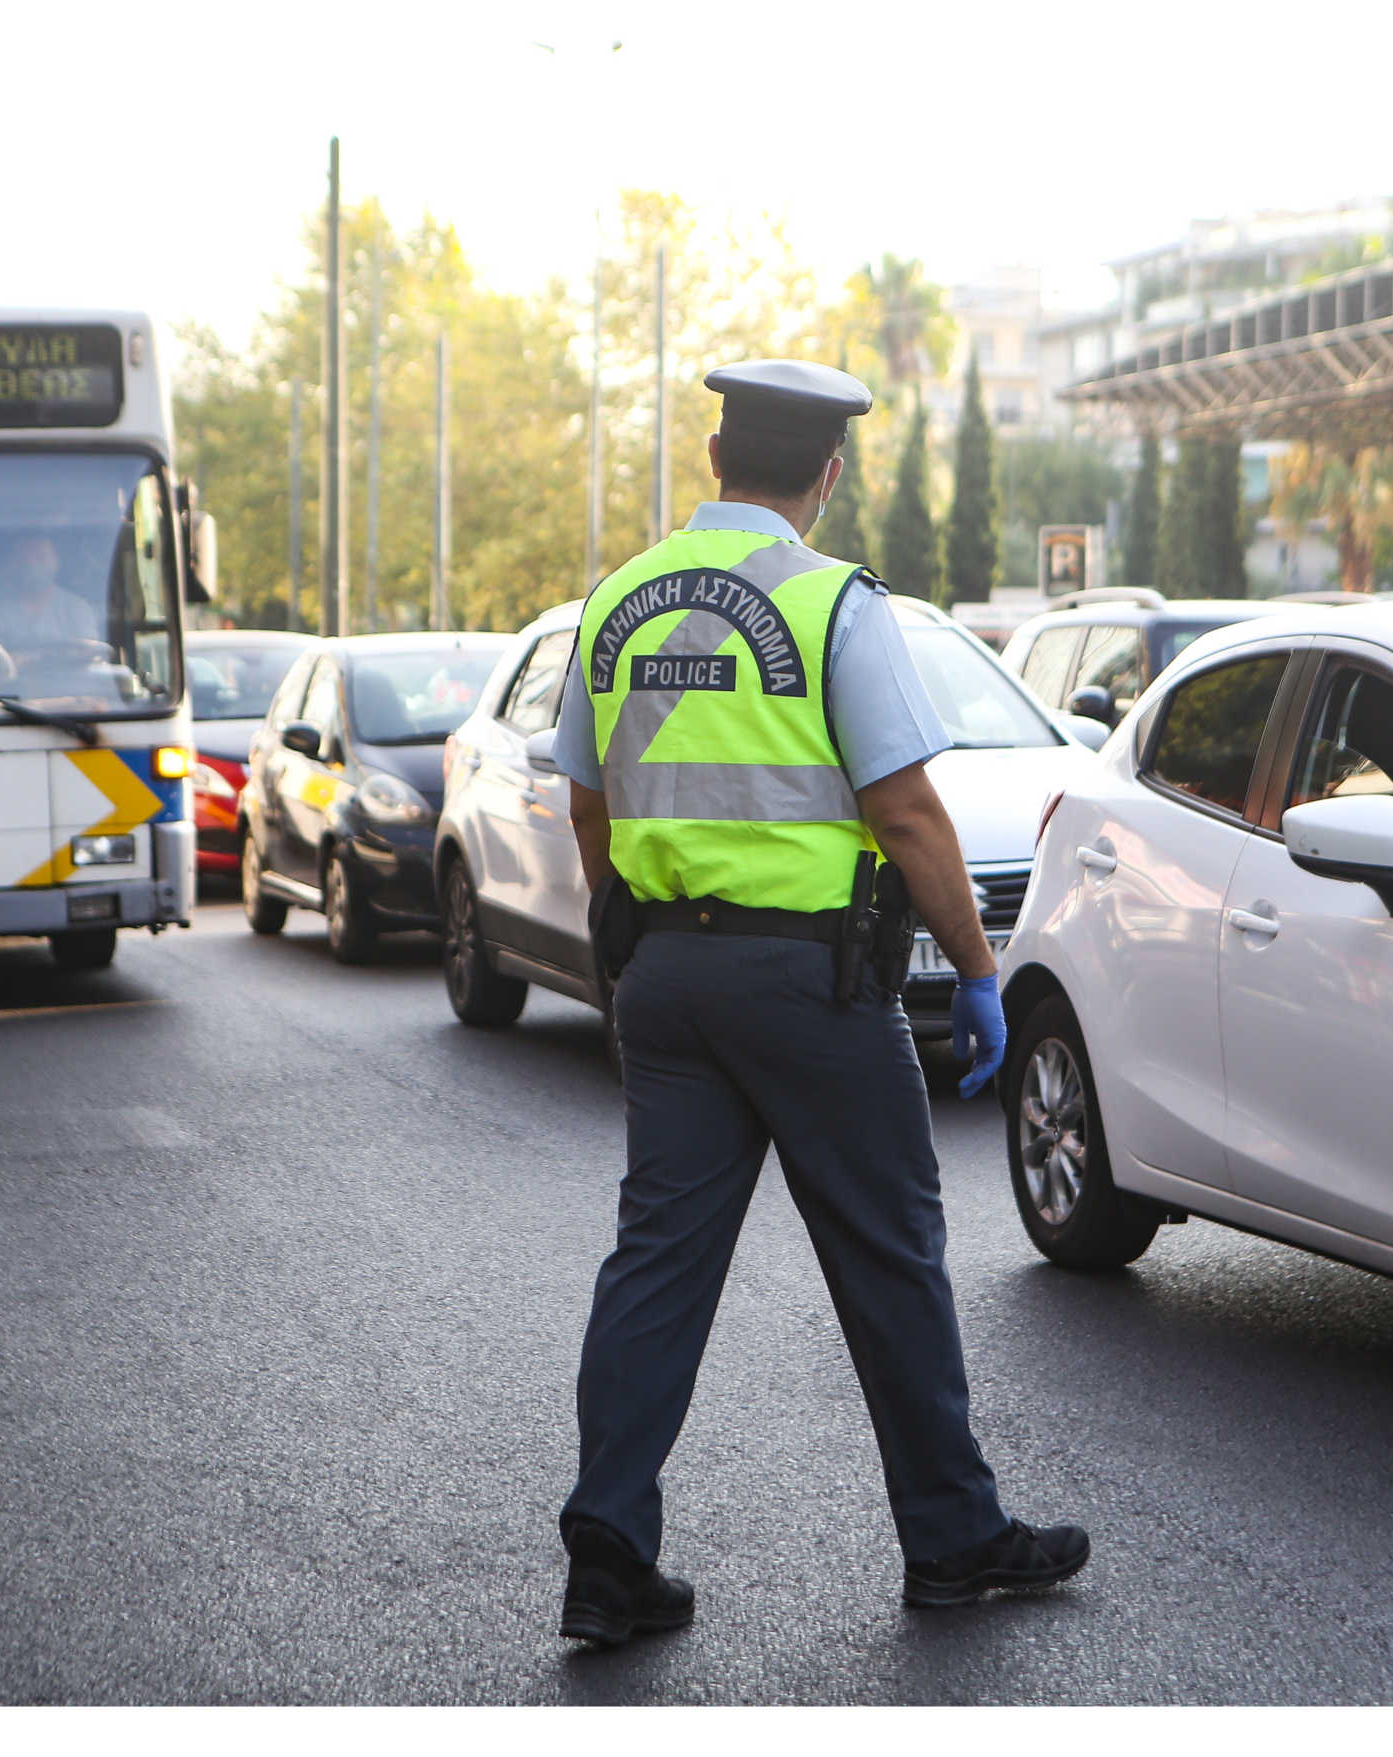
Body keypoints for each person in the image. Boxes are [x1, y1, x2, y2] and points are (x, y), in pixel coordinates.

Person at [547, 359, 1088, 1647]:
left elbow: (584, 796)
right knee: (891, 1251)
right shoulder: (831, 601)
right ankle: (954, 1537)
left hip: (668, 977)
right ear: (826, 475)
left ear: (717, 456)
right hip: (811, 982)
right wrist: (975, 967)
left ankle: (608, 1545)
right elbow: (902, 808)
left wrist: (628, 934)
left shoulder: (614, 599)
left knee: (657, 1264)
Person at [0, 533, 98, 652]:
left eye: (41, 557)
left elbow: (88, 655)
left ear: (57, 562)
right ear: (12, 563)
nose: (32, 565)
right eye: (24, 558)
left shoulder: (76, 608)